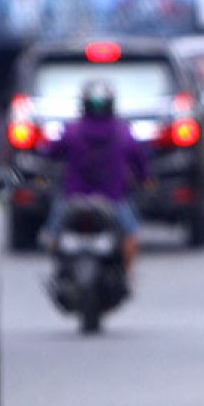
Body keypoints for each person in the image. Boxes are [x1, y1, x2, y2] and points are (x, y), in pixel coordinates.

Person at [41, 80, 150, 273]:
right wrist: (145, 179)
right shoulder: (122, 131)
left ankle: (58, 271)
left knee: (51, 236)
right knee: (132, 236)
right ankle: (127, 274)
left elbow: (50, 153)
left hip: (73, 197)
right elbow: (139, 160)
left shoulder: (72, 130)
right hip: (113, 199)